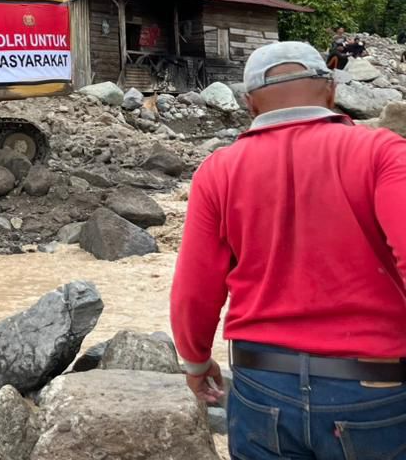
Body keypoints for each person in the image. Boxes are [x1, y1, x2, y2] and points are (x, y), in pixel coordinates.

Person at [170, 41, 406, 459]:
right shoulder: (383, 153)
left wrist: (195, 361)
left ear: (250, 104)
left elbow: (194, 289)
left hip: (263, 385)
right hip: (374, 385)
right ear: (331, 88)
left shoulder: (218, 171)